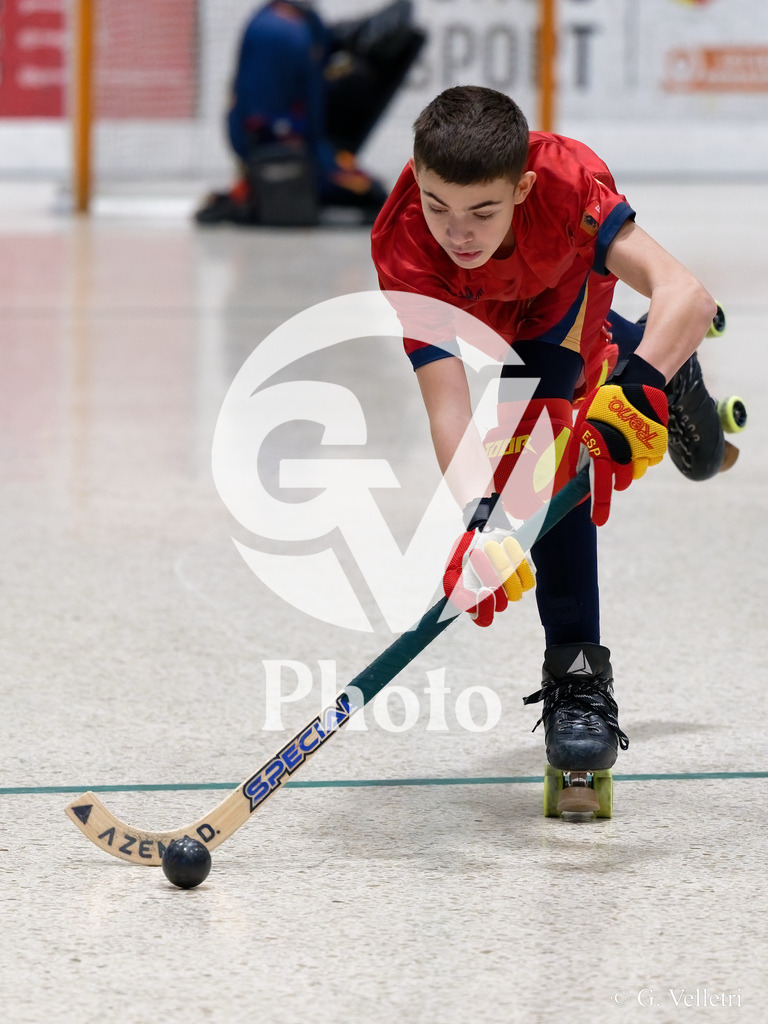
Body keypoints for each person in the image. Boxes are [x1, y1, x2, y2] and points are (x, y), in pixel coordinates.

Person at [371, 85, 729, 813]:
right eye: (438, 206)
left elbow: (685, 292)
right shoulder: (404, 241)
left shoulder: (564, 184)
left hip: (562, 296)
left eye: (481, 211)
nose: (457, 234)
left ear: (522, 187)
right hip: (491, 317)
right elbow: (447, 410)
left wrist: (638, 391)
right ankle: (655, 360)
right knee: (511, 479)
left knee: (539, 451)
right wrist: (480, 523)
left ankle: (579, 684)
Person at [196, 0, 425, 226]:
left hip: (306, 148)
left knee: (377, 197)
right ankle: (255, 192)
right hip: (289, 152)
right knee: (375, 197)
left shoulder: (302, 21)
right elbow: (259, 118)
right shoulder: (274, 32)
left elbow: (330, 41)